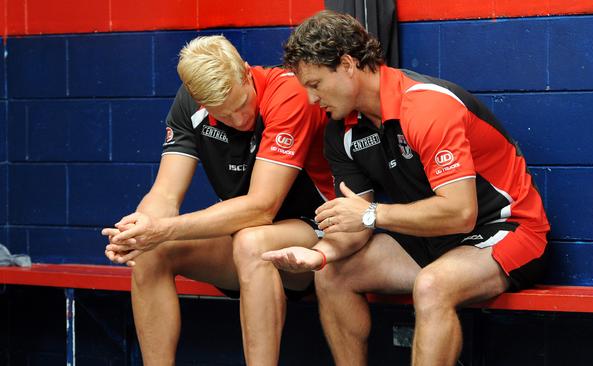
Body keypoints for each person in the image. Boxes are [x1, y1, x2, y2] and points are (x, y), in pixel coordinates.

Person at [262, 10, 550, 366]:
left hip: (506, 229)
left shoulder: (426, 105)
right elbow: (355, 223)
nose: (309, 99)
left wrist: (371, 215)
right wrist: (321, 254)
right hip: (433, 237)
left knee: (432, 285)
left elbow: (461, 213)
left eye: (316, 84)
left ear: (348, 65)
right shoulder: (342, 129)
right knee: (332, 276)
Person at [100, 35, 334, 366]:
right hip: (243, 243)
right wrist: (138, 231)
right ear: (200, 102)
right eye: (224, 115)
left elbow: (262, 207)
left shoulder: (287, 92)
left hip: (318, 238)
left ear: (245, 72)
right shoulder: (189, 103)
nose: (239, 119)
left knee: (253, 242)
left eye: (241, 105)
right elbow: (164, 195)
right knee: (151, 253)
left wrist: (165, 229)